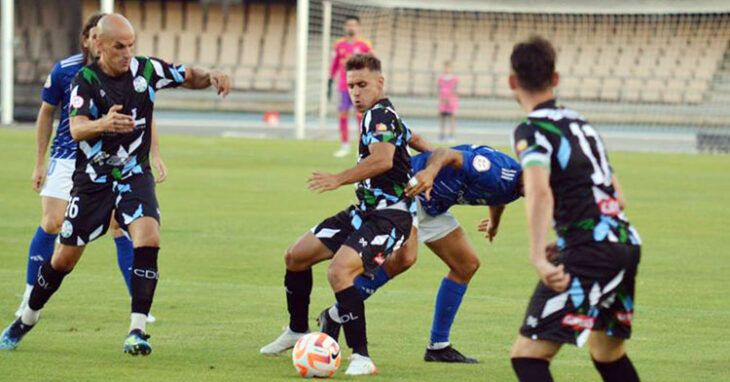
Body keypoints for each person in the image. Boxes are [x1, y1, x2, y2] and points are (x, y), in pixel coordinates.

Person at [0, 14, 231, 356]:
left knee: (148, 236)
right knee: (63, 260)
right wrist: (104, 122)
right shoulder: (85, 79)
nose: (127, 53)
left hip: (134, 175)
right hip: (93, 181)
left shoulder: (146, 71)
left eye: (131, 45)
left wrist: (210, 75)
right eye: (119, 46)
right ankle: (27, 318)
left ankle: (137, 331)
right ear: (101, 46)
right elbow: (77, 128)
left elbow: (187, 75)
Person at [261, 54, 424, 376]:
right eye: (351, 86)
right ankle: (297, 330)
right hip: (364, 211)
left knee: (339, 273)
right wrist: (430, 166)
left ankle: (361, 356)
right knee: (296, 256)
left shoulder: (380, 116)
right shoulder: (383, 115)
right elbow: (414, 138)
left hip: (389, 217)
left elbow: (382, 161)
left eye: (362, 84)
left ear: (380, 83)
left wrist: (338, 178)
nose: (355, 92)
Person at [507, 36, 641, 382]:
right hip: (625, 242)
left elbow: (538, 190)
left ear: (512, 82)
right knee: (607, 353)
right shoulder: (582, 125)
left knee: (528, 357)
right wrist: (567, 237)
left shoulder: (532, 129)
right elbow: (618, 197)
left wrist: (538, 255)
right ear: (556, 79)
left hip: (592, 250)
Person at [13, 13, 163, 324]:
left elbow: (144, 115)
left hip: (106, 161)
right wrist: (39, 161)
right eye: (93, 36)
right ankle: (30, 295)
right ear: (89, 40)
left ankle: (138, 307)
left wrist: (155, 154)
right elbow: (46, 114)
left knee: (120, 226)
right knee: (53, 221)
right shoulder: (66, 70)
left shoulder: (127, 73)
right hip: (68, 157)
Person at [318, 144, 524, 364]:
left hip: (433, 205)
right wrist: (429, 172)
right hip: (410, 190)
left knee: (466, 265)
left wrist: (494, 222)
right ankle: (336, 314)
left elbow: (499, 195)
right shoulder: (497, 169)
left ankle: (438, 346)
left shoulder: (518, 187)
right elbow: (446, 153)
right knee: (406, 257)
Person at [329, 15, 372, 158]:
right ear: (345, 27)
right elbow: (334, 64)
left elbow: (372, 64)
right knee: (342, 115)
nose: (351, 27)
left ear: (358, 27)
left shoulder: (365, 45)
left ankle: (362, 147)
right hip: (343, 86)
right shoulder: (339, 45)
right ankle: (344, 145)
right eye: (349, 25)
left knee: (361, 117)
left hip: (359, 87)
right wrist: (330, 80)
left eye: (354, 25)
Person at [437, 61, 458, 142]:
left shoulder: (454, 79)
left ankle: (451, 135)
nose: (447, 69)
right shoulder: (441, 79)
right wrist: (442, 99)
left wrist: (450, 99)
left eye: (449, 67)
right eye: (446, 67)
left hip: (451, 101)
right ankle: (442, 135)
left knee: (452, 119)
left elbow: (455, 90)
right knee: (443, 119)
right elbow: (439, 89)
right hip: (443, 101)